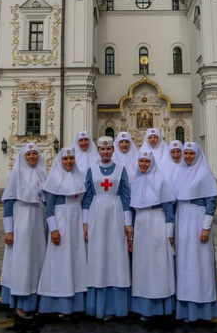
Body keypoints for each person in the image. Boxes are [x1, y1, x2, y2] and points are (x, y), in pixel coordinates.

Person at [82, 136, 132, 320]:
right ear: (98, 150)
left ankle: (116, 306)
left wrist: (128, 223)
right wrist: (85, 222)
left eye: (108, 149)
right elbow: (87, 197)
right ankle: (97, 305)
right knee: (98, 254)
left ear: (113, 150)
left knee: (116, 256)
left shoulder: (121, 170)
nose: (105, 152)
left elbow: (126, 196)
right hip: (96, 213)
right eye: (102, 149)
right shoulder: (91, 170)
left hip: (115, 213)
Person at [173, 141, 217, 322]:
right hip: (182, 217)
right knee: (184, 263)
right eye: (186, 153)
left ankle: (202, 309)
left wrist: (206, 227)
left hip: (197, 218)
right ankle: (186, 308)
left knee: (200, 263)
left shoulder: (204, 173)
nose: (188, 157)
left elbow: (211, 202)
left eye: (191, 154)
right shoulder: (180, 172)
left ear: (198, 155)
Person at [38, 146, 87, 318]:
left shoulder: (78, 177)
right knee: (60, 262)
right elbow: (49, 208)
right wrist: (54, 230)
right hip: (61, 222)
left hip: (76, 222)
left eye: (71, 159)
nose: (68, 162)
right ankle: (59, 304)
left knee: (76, 261)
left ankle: (76, 304)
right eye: (65, 159)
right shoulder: (54, 179)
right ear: (60, 161)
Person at [0, 143, 48, 319]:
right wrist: (9, 231)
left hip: (38, 222)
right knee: (23, 263)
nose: (32, 157)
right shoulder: (17, 174)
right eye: (28, 155)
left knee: (37, 262)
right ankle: (20, 303)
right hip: (22, 222)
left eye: (35, 154)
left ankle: (34, 302)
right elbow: (8, 203)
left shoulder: (43, 173)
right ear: (23, 157)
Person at [129, 149, 176, 320]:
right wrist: (131, 236)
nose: (143, 164)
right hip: (140, 224)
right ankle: (144, 307)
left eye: (147, 162)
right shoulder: (134, 181)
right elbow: (132, 211)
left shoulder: (160, 180)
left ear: (152, 163)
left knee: (158, 265)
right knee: (142, 266)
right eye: (141, 161)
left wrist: (169, 233)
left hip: (157, 222)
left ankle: (160, 307)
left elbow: (168, 209)